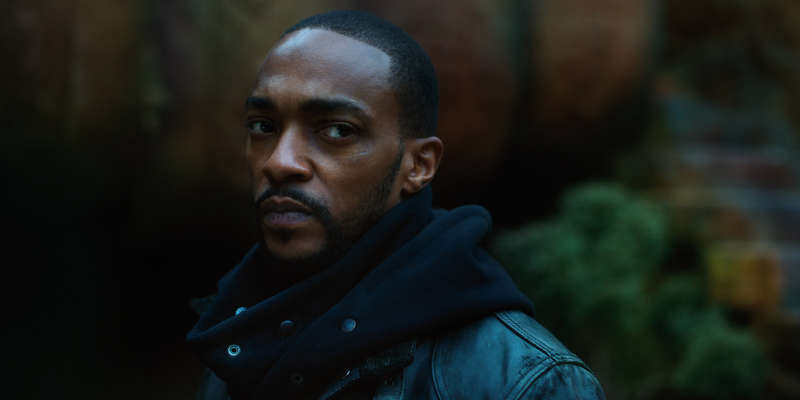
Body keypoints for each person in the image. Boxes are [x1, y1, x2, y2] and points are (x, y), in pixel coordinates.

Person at [186, 10, 605, 400]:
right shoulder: (235, 337)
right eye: (263, 126)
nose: (279, 162)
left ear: (419, 166)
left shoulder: (522, 381)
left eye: (337, 131)